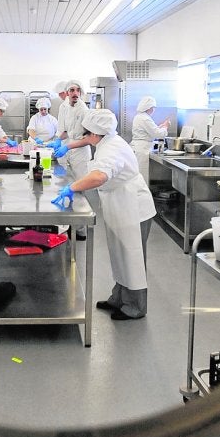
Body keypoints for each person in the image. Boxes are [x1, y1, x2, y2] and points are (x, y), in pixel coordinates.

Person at [51, 108, 156, 319]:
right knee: (119, 253)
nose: (85, 137)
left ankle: (136, 306)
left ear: (97, 133)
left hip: (133, 206)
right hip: (119, 204)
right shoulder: (106, 140)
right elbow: (88, 143)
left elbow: (99, 176)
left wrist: (72, 188)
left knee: (131, 255)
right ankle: (119, 297)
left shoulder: (111, 149)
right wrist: (67, 145)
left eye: (87, 133)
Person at [54, 79, 91, 238]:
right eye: (72, 90)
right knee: (64, 184)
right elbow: (64, 130)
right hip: (67, 148)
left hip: (80, 152)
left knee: (79, 188)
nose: (75, 93)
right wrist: (56, 141)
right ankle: (66, 224)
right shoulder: (63, 106)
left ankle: (80, 229)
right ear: (67, 93)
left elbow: (87, 138)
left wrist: (67, 146)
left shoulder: (84, 110)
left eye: (77, 90)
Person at [131, 95, 170, 183]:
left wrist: (161, 127)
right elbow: (158, 134)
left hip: (138, 147)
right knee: (142, 178)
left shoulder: (139, 117)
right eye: (153, 108)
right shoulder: (145, 118)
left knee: (138, 177)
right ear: (149, 108)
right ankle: (142, 196)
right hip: (142, 149)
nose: (154, 110)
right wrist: (166, 127)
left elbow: (150, 131)